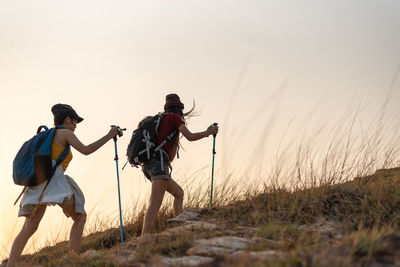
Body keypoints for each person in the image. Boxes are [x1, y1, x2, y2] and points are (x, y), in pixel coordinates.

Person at [7, 104, 119, 267]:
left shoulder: (46, 136)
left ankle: (10, 265)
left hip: (36, 182)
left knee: (27, 229)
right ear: (67, 119)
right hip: (53, 180)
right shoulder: (65, 133)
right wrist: (109, 135)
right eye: (75, 121)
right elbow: (86, 150)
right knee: (80, 216)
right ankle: (72, 260)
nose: (76, 126)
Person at [141, 93, 219, 235]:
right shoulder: (174, 118)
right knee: (155, 202)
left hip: (149, 165)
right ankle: (143, 238)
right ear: (179, 108)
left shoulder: (160, 118)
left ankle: (179, 228)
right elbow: (190, 136)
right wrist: (209, 132)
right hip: (159, 164)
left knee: (179, 193)